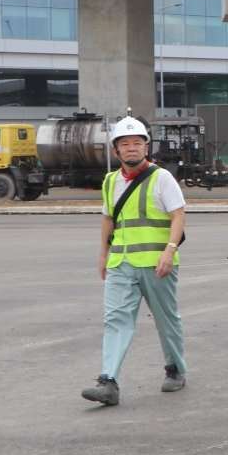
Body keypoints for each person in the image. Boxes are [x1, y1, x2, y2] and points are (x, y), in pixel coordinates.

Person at [80, 116, 188, 406]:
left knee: (166, 319)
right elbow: (107, 219)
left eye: (137, 143)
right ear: (116, 150)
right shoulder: (110, 181)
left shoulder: (161, 177)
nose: (131, 148)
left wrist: (169, 250)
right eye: (125, 144)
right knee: (115, 319)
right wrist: (103, 254)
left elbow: (178, 214)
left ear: (146, 147)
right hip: (121, 263)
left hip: (157, 263)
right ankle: (108, 381)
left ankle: (175, 369)